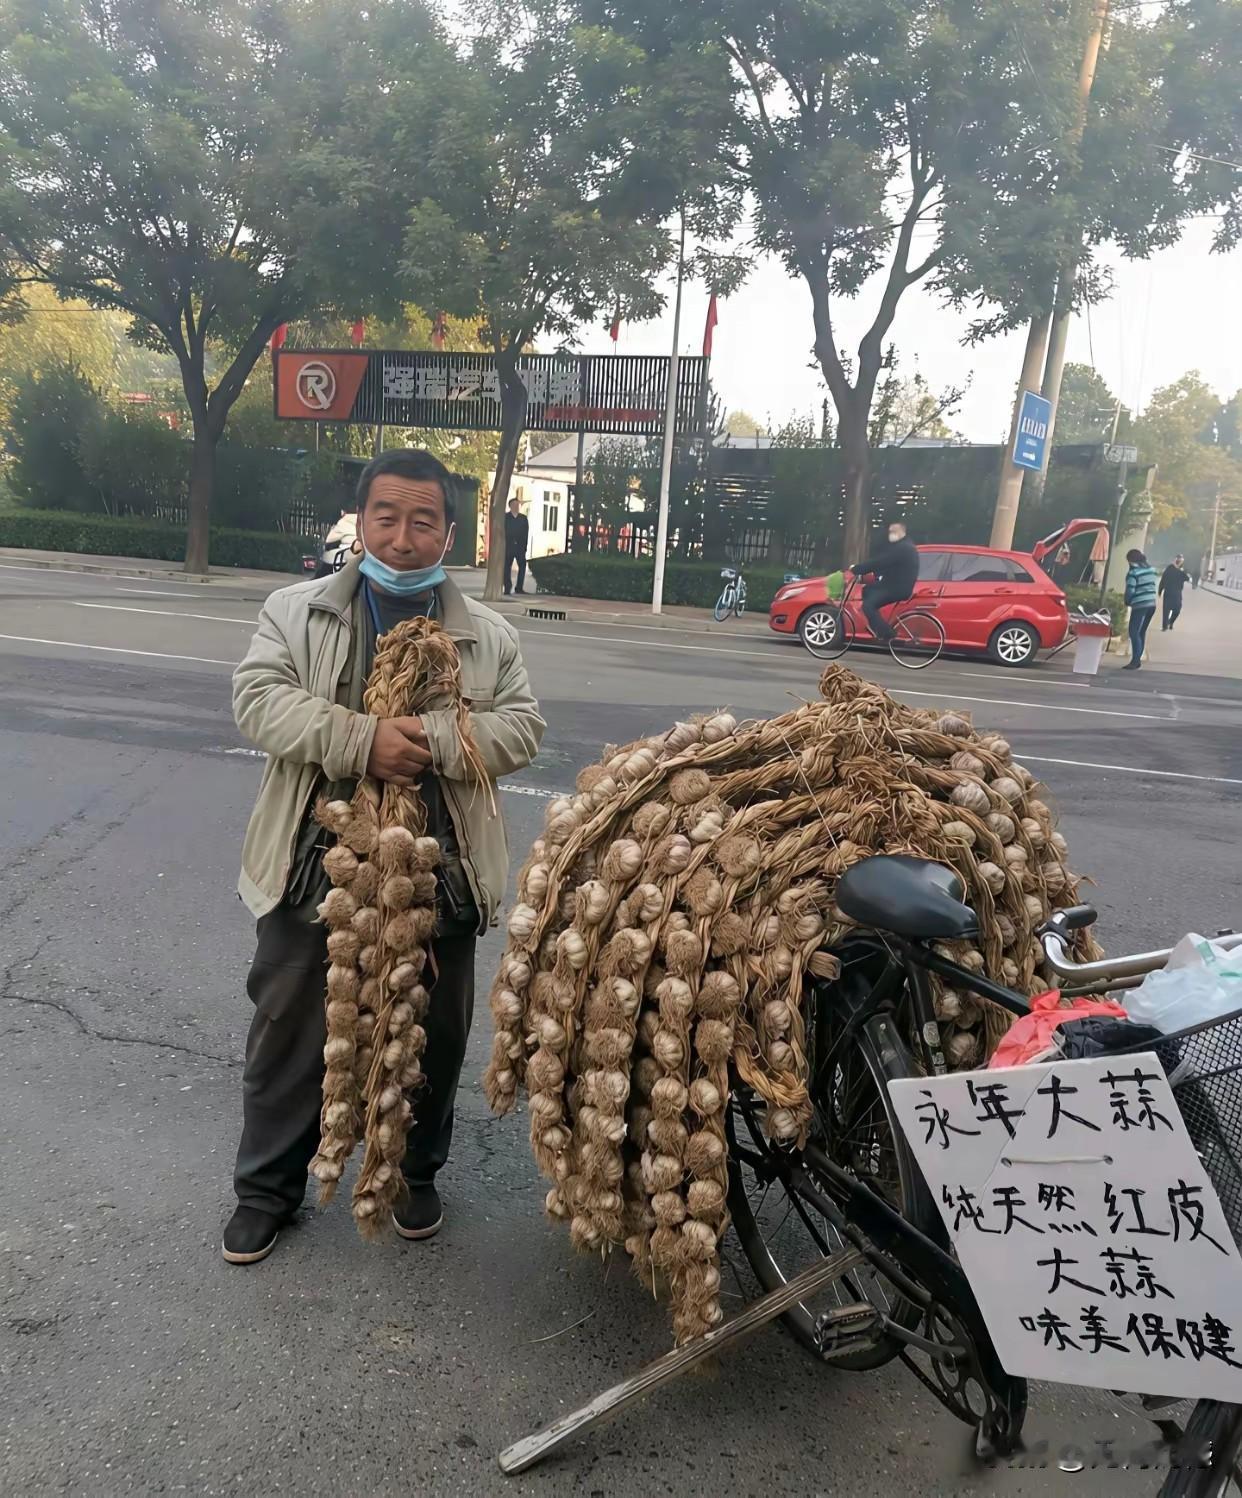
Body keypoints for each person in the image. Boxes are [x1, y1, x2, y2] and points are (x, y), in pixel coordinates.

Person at [223, 448, 545, 1265]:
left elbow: (522, 728)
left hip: (439, 861)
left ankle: (413, 1175)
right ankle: (266, 1190)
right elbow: (258, 701)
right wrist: (361, 740)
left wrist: (432, 741)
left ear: (450, 534)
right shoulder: (295, 612)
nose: (403, 538)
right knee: (292, 1025)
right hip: (316, 855)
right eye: (387, 518)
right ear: (361, 522)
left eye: (423, 521)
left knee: (433, 1030)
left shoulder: (489, 636)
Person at [851, 520, 920, 641]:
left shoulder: (903, 548)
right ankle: (876, 626)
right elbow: (887, 564)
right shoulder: (904, 546)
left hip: (897, 588)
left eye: (894, 531)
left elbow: (881, 562)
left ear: (902, 532)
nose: (891, 534)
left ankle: (887, 633)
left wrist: (858, 569)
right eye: (890, 531)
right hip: (894, 585)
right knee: (867, 590)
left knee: (868, 606)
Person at [1122, 547, 1158, 670]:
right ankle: (1137, 660)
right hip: (1151, 604)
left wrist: (1127, 601)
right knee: (1141, 632)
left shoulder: (1133, 573)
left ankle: (1135, 661)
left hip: (1140, 605)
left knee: (1133, 631)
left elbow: (1130, 590)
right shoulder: (1152, 570)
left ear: (1130, 560)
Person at [504, 496, 530, 595]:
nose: (516, 506)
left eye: (517, 505)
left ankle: (519, 587)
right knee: (506, 568)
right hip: (508, 547)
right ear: (510, 506)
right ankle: (507, 587)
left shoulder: (523, 518)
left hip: (520, 547)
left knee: (522, 567)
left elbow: (525, 533)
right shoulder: (505, 517)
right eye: (514, 505)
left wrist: (524, 547)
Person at [1159, 554, 1191, 630]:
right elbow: (1163, 580)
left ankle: (1170, 622)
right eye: (1179, 560)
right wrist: (1160, 590)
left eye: (1181, 560)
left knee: (1176, 609)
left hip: (1176, 593)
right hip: (1169, 592)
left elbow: (1187, 578)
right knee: (1167, 610)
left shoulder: (1181, 571)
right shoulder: (1169, 569)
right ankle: (1165, 626)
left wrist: (1183, 571)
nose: (1179, 562)